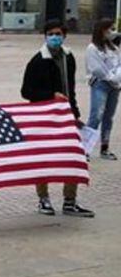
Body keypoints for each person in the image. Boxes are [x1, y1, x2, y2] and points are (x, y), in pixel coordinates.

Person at [21, 19, 94, 217]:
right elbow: (26, 91)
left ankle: (70, 201)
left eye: (58, 34)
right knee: (44, 158)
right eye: (51, 34)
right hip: (43, 116)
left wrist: (75, 113)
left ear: (64, 35)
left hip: (65, 115)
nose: (54, 37)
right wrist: (50, 95)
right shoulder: (37, 60)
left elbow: (70, 88)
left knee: (73, 156)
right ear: (45, 36)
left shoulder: (68, 57)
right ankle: (43, 199)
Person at [85, 18, 121, 160]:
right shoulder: (92, 48)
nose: (112, 32)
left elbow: (119, 64)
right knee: (96, 116)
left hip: (115, 86)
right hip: (100, 84)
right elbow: (96, 68)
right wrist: (111, 77)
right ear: (102, 30)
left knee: (108, 117)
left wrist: (117, 78)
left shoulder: (114, 48)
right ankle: (85, 149)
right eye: (110, 29)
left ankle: (104, 148)